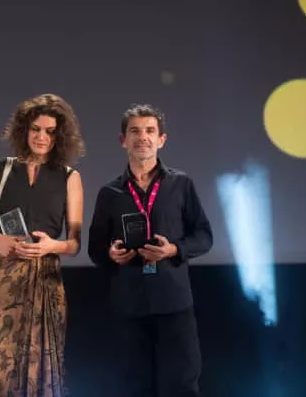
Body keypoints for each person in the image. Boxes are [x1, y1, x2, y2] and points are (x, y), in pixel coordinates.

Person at [88, 104, 213, 397]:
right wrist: (111, 255)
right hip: (128, 304)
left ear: (161, 139)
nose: (142, 137)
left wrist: (173, 249)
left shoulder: (181, 184)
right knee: (132, 387)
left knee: (182, 386)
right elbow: (95, 248)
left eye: (150, 131)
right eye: (134, 131)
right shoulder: (109, 193)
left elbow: (204, 236)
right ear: (123, 140)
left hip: (174, 302)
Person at [0, 93, 85, 396]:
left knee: (40, 374)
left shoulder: (69, 177)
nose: (42, 137)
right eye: (36, 129)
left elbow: (74, 244)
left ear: (60, 136)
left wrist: (51, 246)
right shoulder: (1, 169)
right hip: (0, 282)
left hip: (44, 281)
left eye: (50, 131)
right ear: (24, 130)